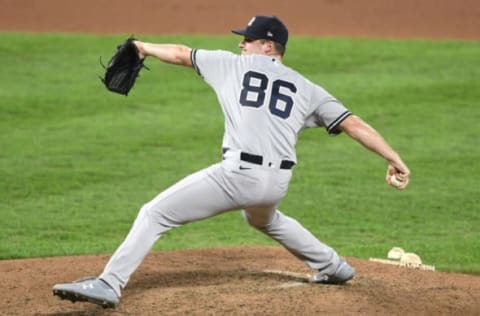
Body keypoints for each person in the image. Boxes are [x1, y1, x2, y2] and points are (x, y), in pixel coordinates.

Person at [53, 15, 410, 308]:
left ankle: (109, 284)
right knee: (263, 218)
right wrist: (394, 160)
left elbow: (180, 53)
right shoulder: (307, 88)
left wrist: (142, 47)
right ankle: (334, 267)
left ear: (268, 46)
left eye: (248, 39)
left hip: (239, 175)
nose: (241, 44)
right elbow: (353, 123)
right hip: (277, 184)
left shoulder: (231, 65)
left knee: (154, 213)